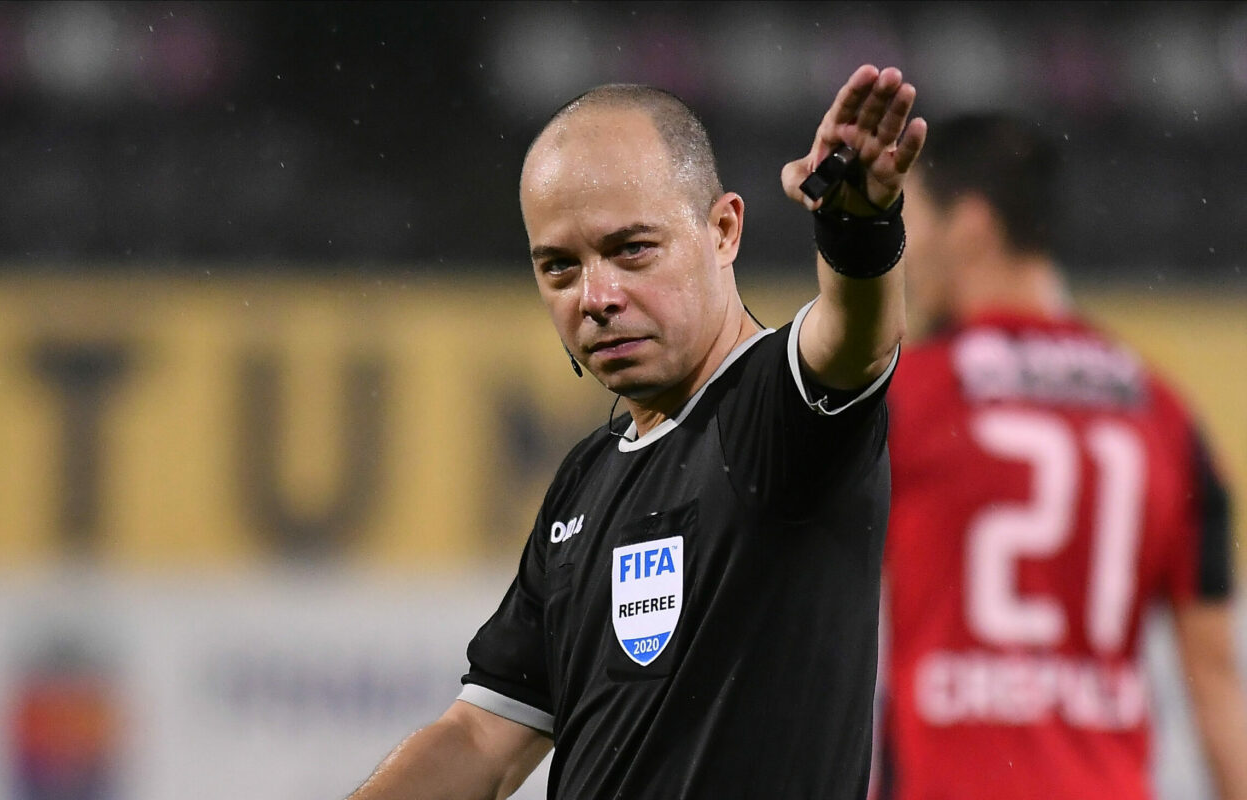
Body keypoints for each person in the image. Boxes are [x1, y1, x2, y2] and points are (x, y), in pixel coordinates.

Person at [347, 63, 926, 799]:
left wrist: (858, 226)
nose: (596, 297)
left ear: (723, 230)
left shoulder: (775, 415)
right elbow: (483, 739)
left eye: (631, 250)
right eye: (560, 267)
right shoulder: (586, 479)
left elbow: (856, 338)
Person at [878, 113, 1247, 800]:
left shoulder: (907, 402)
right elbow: (1218, 683)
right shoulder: (1168, 419)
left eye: (914, 220)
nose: (906, 250)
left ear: (971, 226)